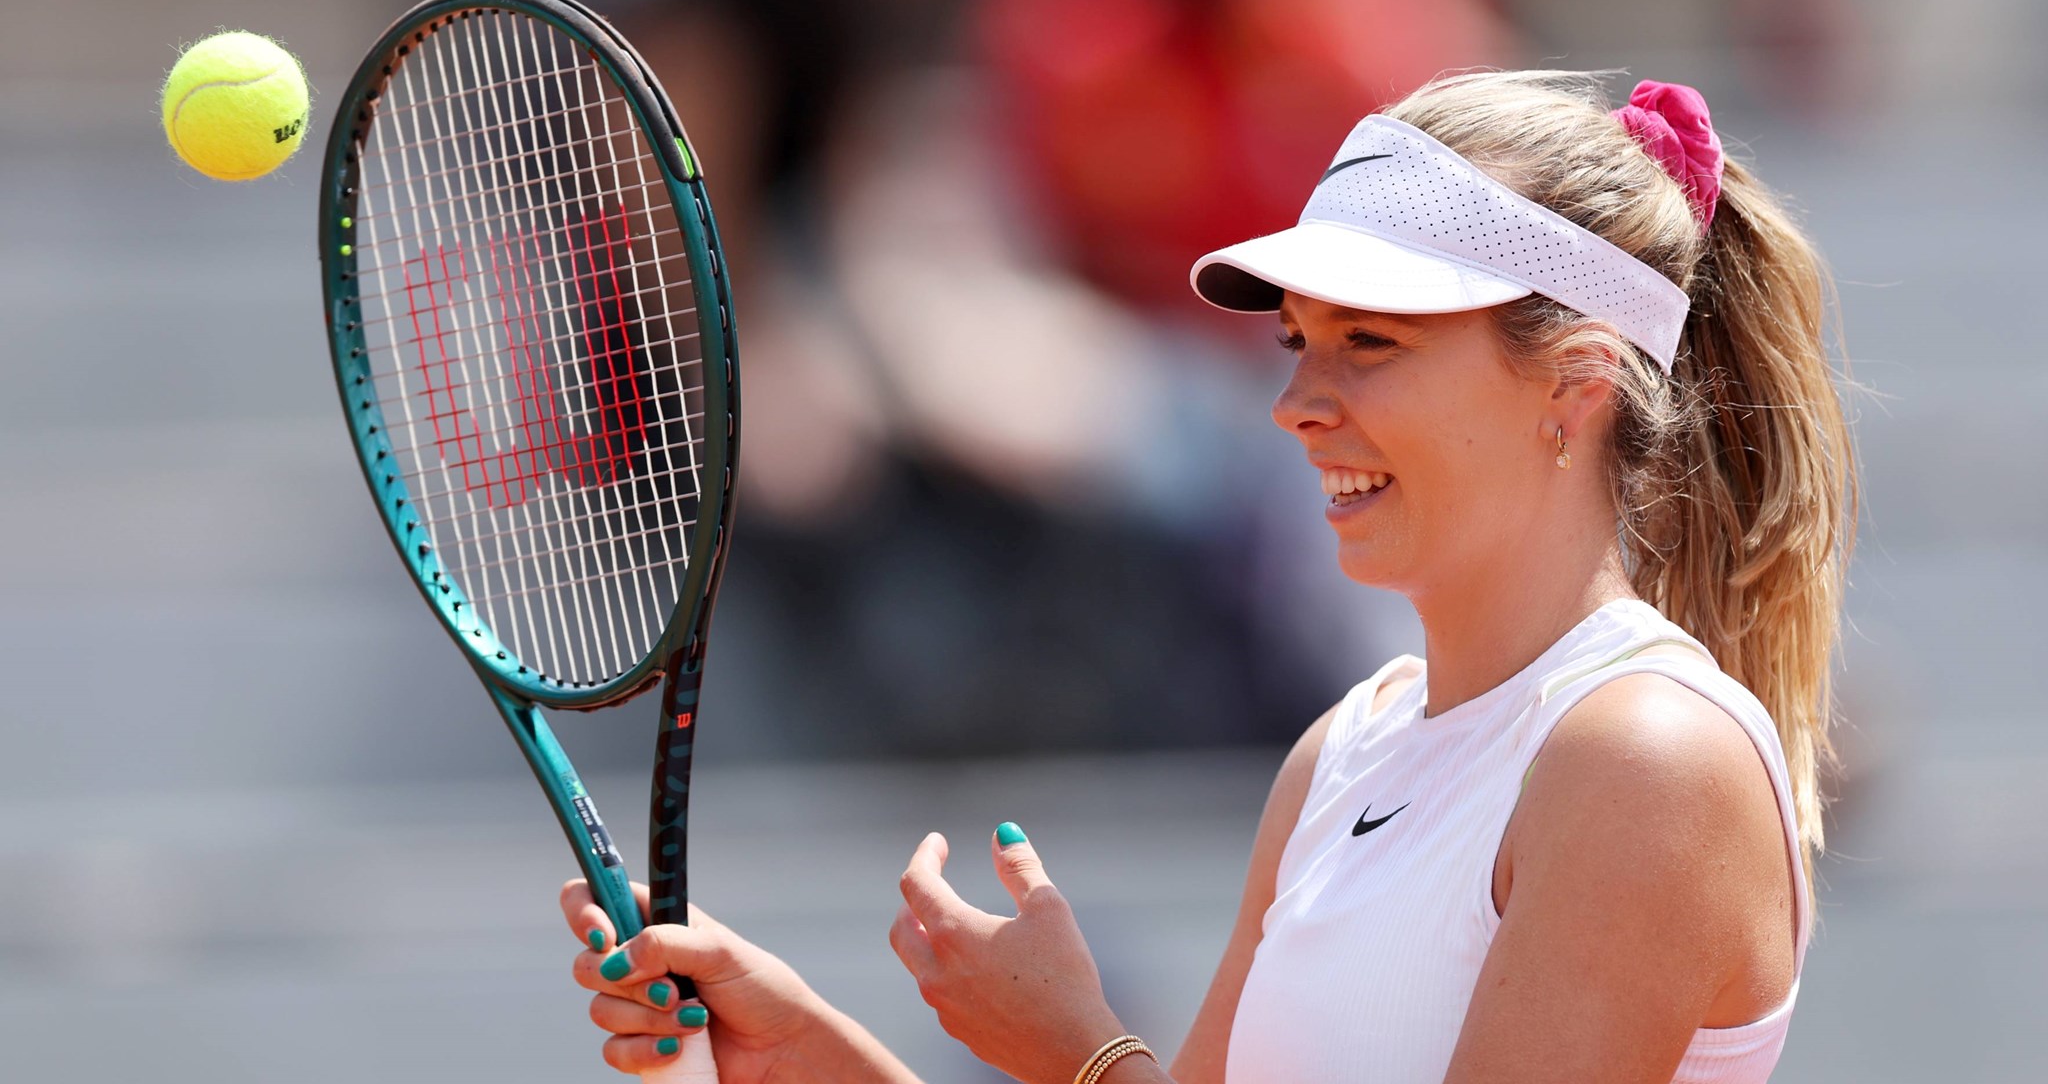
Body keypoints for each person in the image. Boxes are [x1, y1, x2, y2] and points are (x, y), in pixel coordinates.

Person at [557, 70, 1855, 1084]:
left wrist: (1083, 1053)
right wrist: (808, 1057)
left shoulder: (1645, 762)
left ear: (1574, 385)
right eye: (1298, 342)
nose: (1296, 401)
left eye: (1371, 343)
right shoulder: (1342, 752)